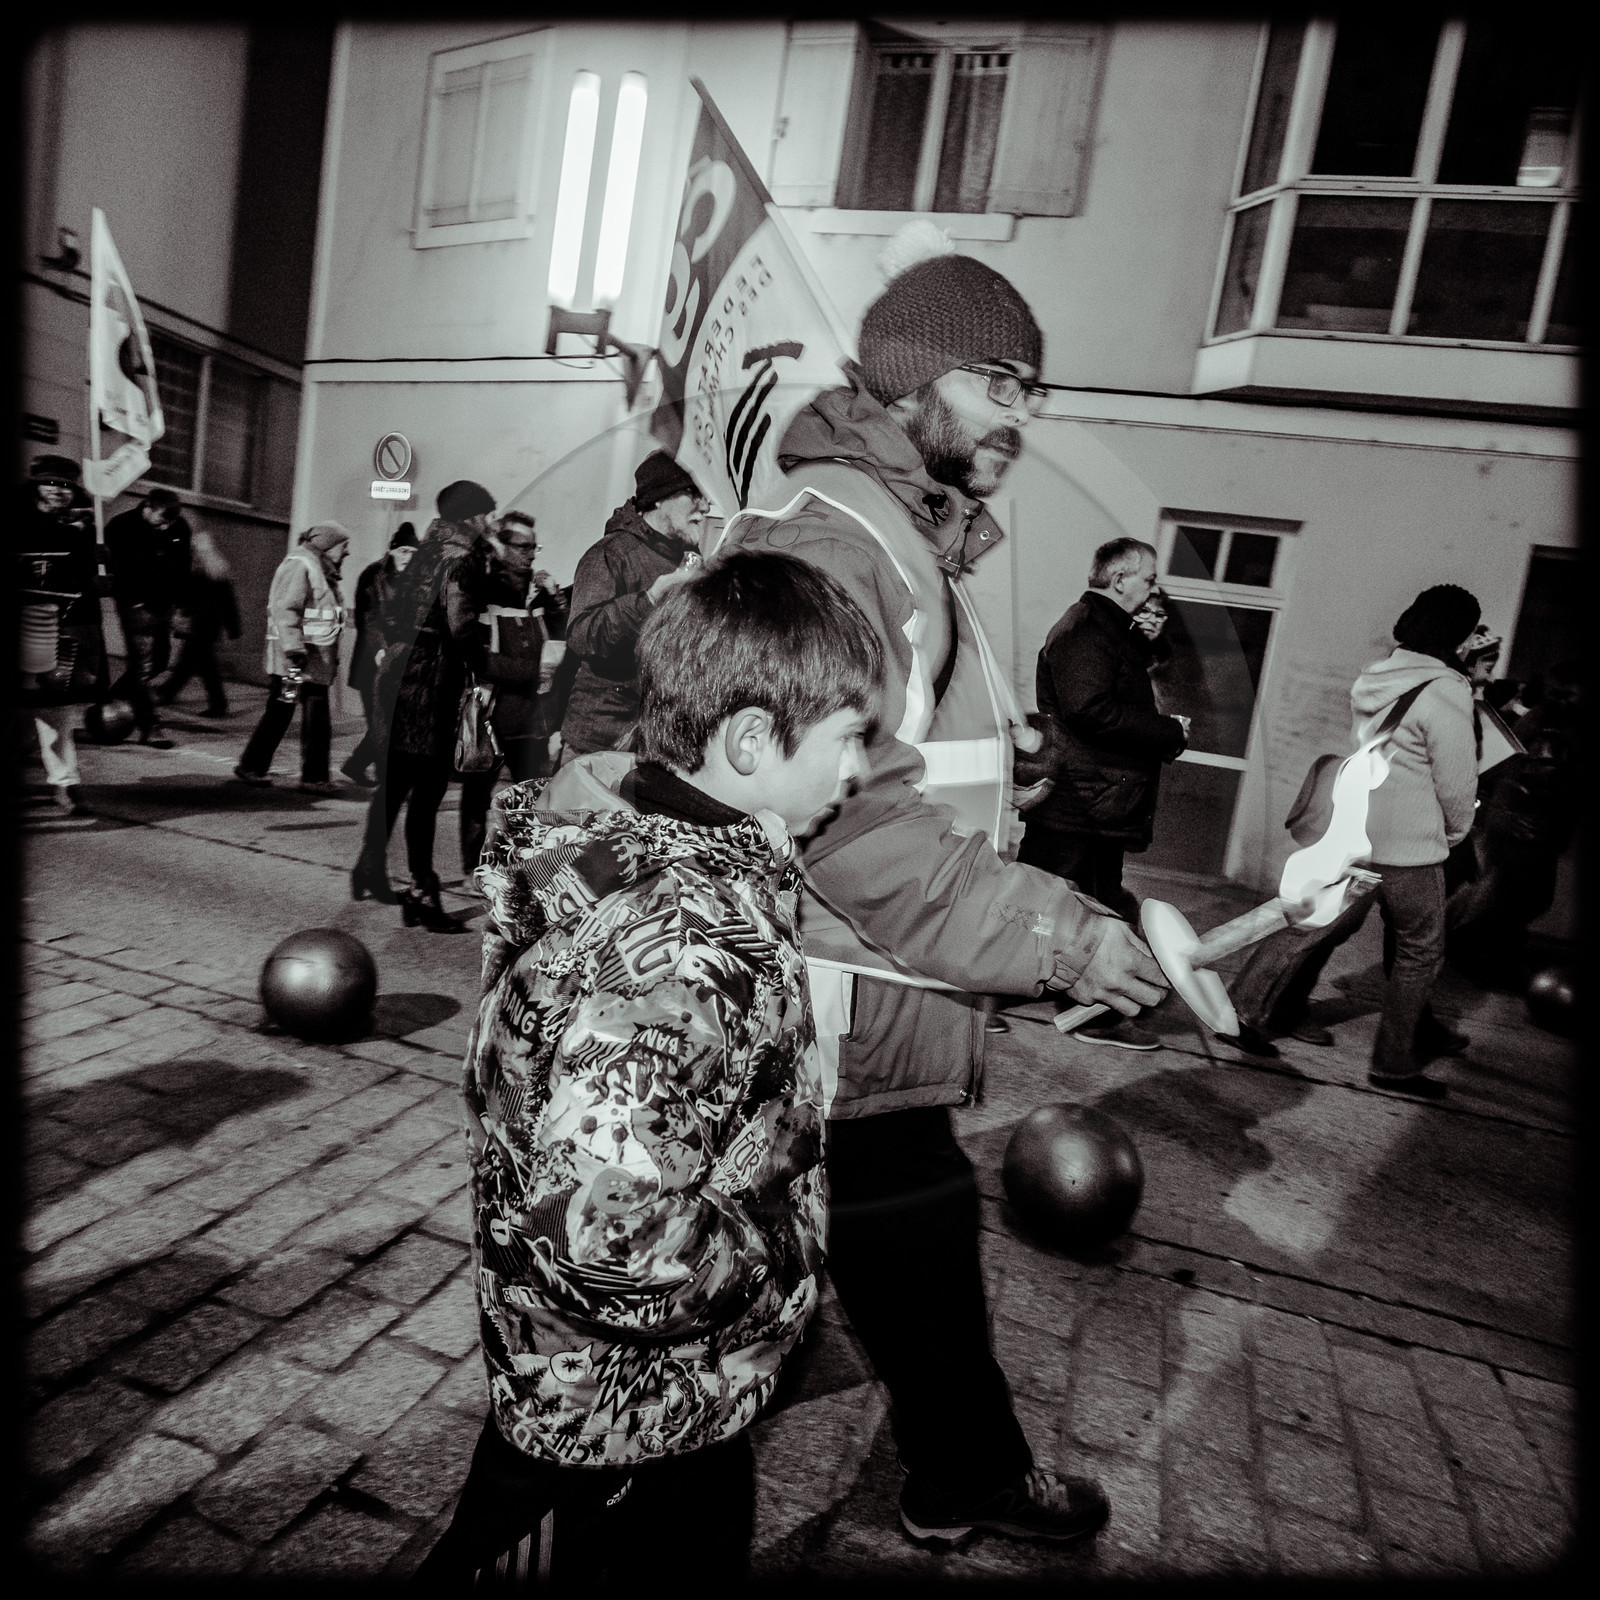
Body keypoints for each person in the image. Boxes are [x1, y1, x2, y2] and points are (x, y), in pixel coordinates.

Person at [718, 246, 1167, 1548]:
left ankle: (898, 1446)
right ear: (918, 380)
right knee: (909, 1235)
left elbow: (892, 772)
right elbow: (845, 818)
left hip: (870, 996)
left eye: (1037, 391)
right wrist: (1059, 931)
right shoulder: (846, 542)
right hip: (842, 1004)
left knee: (864, 1237)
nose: (1026, 420)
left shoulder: (894, 545)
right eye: (1003, 384)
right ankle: (955, 1474)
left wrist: (999, 805)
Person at [417, 551, 881, 1587]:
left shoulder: (636, 851)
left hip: (655, 1395)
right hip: (617, 1418)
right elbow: (602, 1226)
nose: (858, 770)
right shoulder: (679, 932)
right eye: (850, 736)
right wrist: (773, 1272)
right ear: (752, 737)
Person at [1227, 584, 1482, 1096]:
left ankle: (1239, 1013)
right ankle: (1393, 1065)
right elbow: (1456, 783)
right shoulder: (1446, 690)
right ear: (1459, 634)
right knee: (1419, 952)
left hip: (1355, 832)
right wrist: (1454, 833)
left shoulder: (1375, 677)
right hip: (1409, 847)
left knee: (1306, 925)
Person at [1018, 539, 1189, 1051]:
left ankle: (1079, 1007)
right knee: (1050, 904)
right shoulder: (1086, 631)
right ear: (1119, 579)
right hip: (1083, 800)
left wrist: (1152, 645)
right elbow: (1090, 709)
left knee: (1067, 903)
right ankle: (998, 1001)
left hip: (1096, 799)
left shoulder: (1107, 630)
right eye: (1148, 578)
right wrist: (1168, 733)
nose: (1154, 588)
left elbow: (1117, 683)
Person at [350, 479, 495, 926]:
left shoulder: (423, 550)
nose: (488, 523)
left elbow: (392, 611)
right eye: (486, 514)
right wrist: (487, 668)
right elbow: (460, 625)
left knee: (394, 785)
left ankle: (370, 867)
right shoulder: (462, 558)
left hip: (398, 674)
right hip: (433, 683)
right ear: (471, 517)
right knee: (428, 792)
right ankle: (422, 892)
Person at [558, 451, 709, 760]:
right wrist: (650, 600)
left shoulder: (689, 560)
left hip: (656, 740)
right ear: (657, 498)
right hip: (599, 740)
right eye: (693, 493)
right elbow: (583, 636)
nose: (705, 506)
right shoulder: (609, 554)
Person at [454, 509, 570, 831]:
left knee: (533, 801)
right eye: (523, 546)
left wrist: (557, 599)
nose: (531, 554)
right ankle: (470, 870)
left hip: (534, 720)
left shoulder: (538, 593)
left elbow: (567, 637)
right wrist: (535, 671)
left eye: (534, 547)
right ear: (503, 546)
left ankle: (523, 869)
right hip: (491, 718)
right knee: (476, 799)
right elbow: (478, 659)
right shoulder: (483, 592)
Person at [18, 456, 106, 815]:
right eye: (52, 484)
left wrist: (97, 570)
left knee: (56, 715)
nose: (59, 492)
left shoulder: (82, 529)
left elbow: (87, 584)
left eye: (67, 486)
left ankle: (66, 785)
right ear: (36, 486)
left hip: (60, 631)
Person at [234, 522, 349, 792]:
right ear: (328, 546)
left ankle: (254, 766)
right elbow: (285, 609)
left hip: (311, 662)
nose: (347, 552)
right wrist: (294, 651)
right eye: (343, 546)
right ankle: (312, 778)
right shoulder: (302, 564)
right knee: (301, 716)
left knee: (284, 712)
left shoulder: (320, 568)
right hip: (297, 663)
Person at [104, 486, 193, 748]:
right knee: (142, 666)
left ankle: (110, 701)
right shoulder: (121, 526)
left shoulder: (179, 528)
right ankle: (150, 726)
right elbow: (115, 566)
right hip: (135, 605)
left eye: (172, 522)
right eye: (163, 520)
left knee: (160, 663)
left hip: (164, 606)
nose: (167, 527)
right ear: (148, 508)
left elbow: (183, 567)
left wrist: (183, 606)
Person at [341, 521, 419, 787]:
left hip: (400, 660)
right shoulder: (373, 575)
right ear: (393, 550)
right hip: (371, 660)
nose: (408, 557)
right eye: (403, 551)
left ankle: (355, 765)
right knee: (381, 724)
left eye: (412, 552)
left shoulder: (416, 579)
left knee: (389, 721)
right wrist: (380, 649)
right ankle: (389, 781)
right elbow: (369, 618)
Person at [155, 528, 241, 717]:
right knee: (193, 663)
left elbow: (186, 596)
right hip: (208, 625)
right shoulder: (217, 570)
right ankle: (168, 691)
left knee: (203, 666)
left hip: (200, 624)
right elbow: (228, 602)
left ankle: (217, 704)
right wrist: (233, 627)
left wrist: (233, 627)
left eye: (194, 547)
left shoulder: (200, 570)